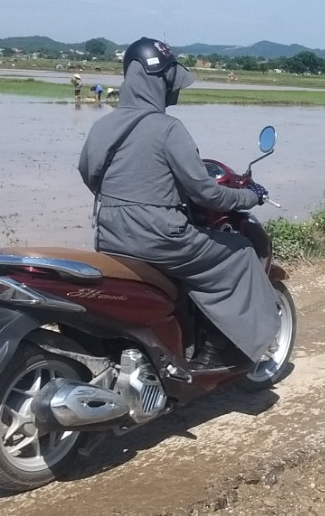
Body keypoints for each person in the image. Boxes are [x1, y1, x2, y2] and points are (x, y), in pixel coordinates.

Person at [77, 37, 280, 376]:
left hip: (109, 235)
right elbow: (207, 194)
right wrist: (251, 197)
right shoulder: (168, 128)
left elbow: (89, 175)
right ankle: (216, 352)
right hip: (161, 238)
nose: (174, 91)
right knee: (239, 252)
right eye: (170, 83)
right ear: (158, 82)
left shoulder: (103, 125)